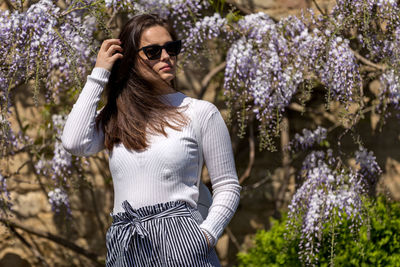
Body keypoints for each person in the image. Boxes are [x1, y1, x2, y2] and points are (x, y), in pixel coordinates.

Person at [61, 13, 241, 267]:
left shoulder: (200, 112)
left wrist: (205, 236)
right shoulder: (117, 116)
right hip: (126, 240)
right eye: (153, 51)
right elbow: (73, 141)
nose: (166, 57)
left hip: (182, 239)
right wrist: (99, 72)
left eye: (171, 48)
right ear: (131, 60)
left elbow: (227, 186)